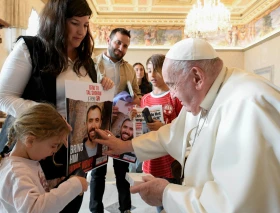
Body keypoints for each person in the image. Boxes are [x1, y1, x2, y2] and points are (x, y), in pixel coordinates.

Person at [92, 38, 280, 213]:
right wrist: (124, 145)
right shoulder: (206, 94)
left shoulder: (249, 104)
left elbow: (233, 204)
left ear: (197, 77)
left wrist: (166, 193)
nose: (172, 95)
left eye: (173, 85)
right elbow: (172, 134)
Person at [0, 0, 113, 212]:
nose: (81, 32)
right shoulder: (31, 48)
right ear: (57, 21)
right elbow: (3, 96)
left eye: (86, 24)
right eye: (74, 23)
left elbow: (86, 102)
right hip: (38, 151)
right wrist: (47, 116)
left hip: (75, 157)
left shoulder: (86, 61)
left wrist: (104, 91)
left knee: (71, 205)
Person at [0, 103, 88, 213]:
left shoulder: (27, 162)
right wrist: (74, 185)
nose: (55, 151)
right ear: (30, 140)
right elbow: (35, 209)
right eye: (53, 145)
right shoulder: (16, 173)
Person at [91, 27, 140, 213]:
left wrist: (135, 100)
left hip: (121, 128)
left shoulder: (129, 68)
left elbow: (137, 93)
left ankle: (125, 208)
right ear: (109, 40)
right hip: (100, 125)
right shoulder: (93, 64)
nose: (121, 48)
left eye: (125, 45)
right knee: (98, 173)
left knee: (123, 172)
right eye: (118, 42)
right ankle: (96, 210)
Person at [130, 54, 182, 213]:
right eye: (149, 71)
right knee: (159, 202)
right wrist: (133, 118)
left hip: (171, 161)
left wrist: (164, 126)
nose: (152, 75)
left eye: (157, 71)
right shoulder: (145, 99)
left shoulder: (175, 97)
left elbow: (184, 128)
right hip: (152, 162)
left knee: (174, 203)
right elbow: (139, 132)